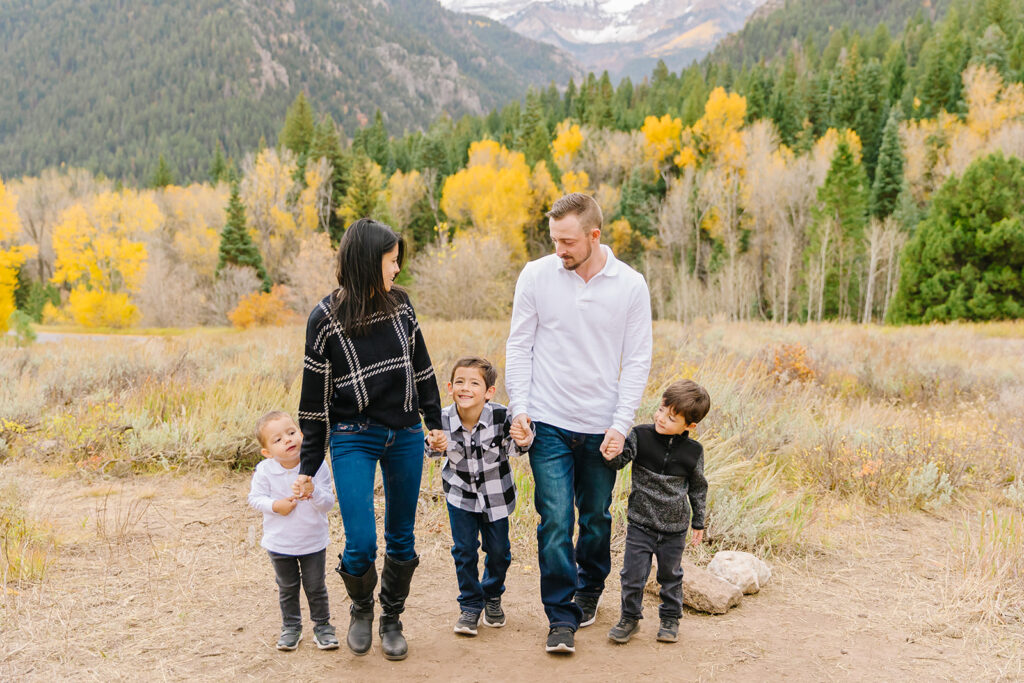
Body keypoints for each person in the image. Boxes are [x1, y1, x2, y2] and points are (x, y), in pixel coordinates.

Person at [291, 218, 446, 661]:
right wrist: (307, 466)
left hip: (405, 435)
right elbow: (313, 399)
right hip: (352, 437)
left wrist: (433, 421)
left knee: (402, 538)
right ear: (366, 262)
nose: (397, 270)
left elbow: (422, 366)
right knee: (361, 541)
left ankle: (391, 617)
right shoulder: (324, 319)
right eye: (392, 261)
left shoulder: (402, 305)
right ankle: (361, 607)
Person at [505, 192, 653, 654]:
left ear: (594, 235)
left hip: (600, 425)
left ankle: (590, 588)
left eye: (567, 242)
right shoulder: (536, 274)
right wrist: (520, 407)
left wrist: (621, 424)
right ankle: (560, 616)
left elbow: (637, 361)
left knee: (594, 517)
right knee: (553, 520)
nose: (559, 251)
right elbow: (518, 345)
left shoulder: (630, 285)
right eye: (553, 240)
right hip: (547, 420)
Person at [426, 357, 534, 636]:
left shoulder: (501, 416)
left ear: (489, 392)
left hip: (496, 494)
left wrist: (524, 438)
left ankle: (492, 593)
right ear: (450, 387)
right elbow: (432, 449)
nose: (465, 388)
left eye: (474, 383)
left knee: (499, 551)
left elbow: (516, 446)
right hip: (460, 495)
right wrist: (432, 444)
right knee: (464, 550)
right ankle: (471, 605)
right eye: (459, 382)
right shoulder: (443, 418)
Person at [603, 380, 710, 645]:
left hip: (674, 529)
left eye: (671, 418)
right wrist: (610, 453)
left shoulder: (693, 452)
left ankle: (670, 619)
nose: (661, 419)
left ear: (690, 426)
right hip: (641, 522)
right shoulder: (641, 435)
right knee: (632, 575)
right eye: (661, 410)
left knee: (670, 576)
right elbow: (620, 461)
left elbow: (698, 488)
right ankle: (629, 619)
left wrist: (698, 521)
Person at [247, 410, 339, 651]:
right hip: (280, 543)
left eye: (291, 433)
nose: (287, 440)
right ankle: (291, 627)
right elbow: (255, 499)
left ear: (302, 434)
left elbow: (328, 502)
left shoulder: (317, 466)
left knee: (316, 586)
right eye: (277, 439)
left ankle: (322, 626)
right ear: (267, 451)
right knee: (287, 588)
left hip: (313, 541)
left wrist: (313, 492)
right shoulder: (265, 470)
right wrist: (275, 506)